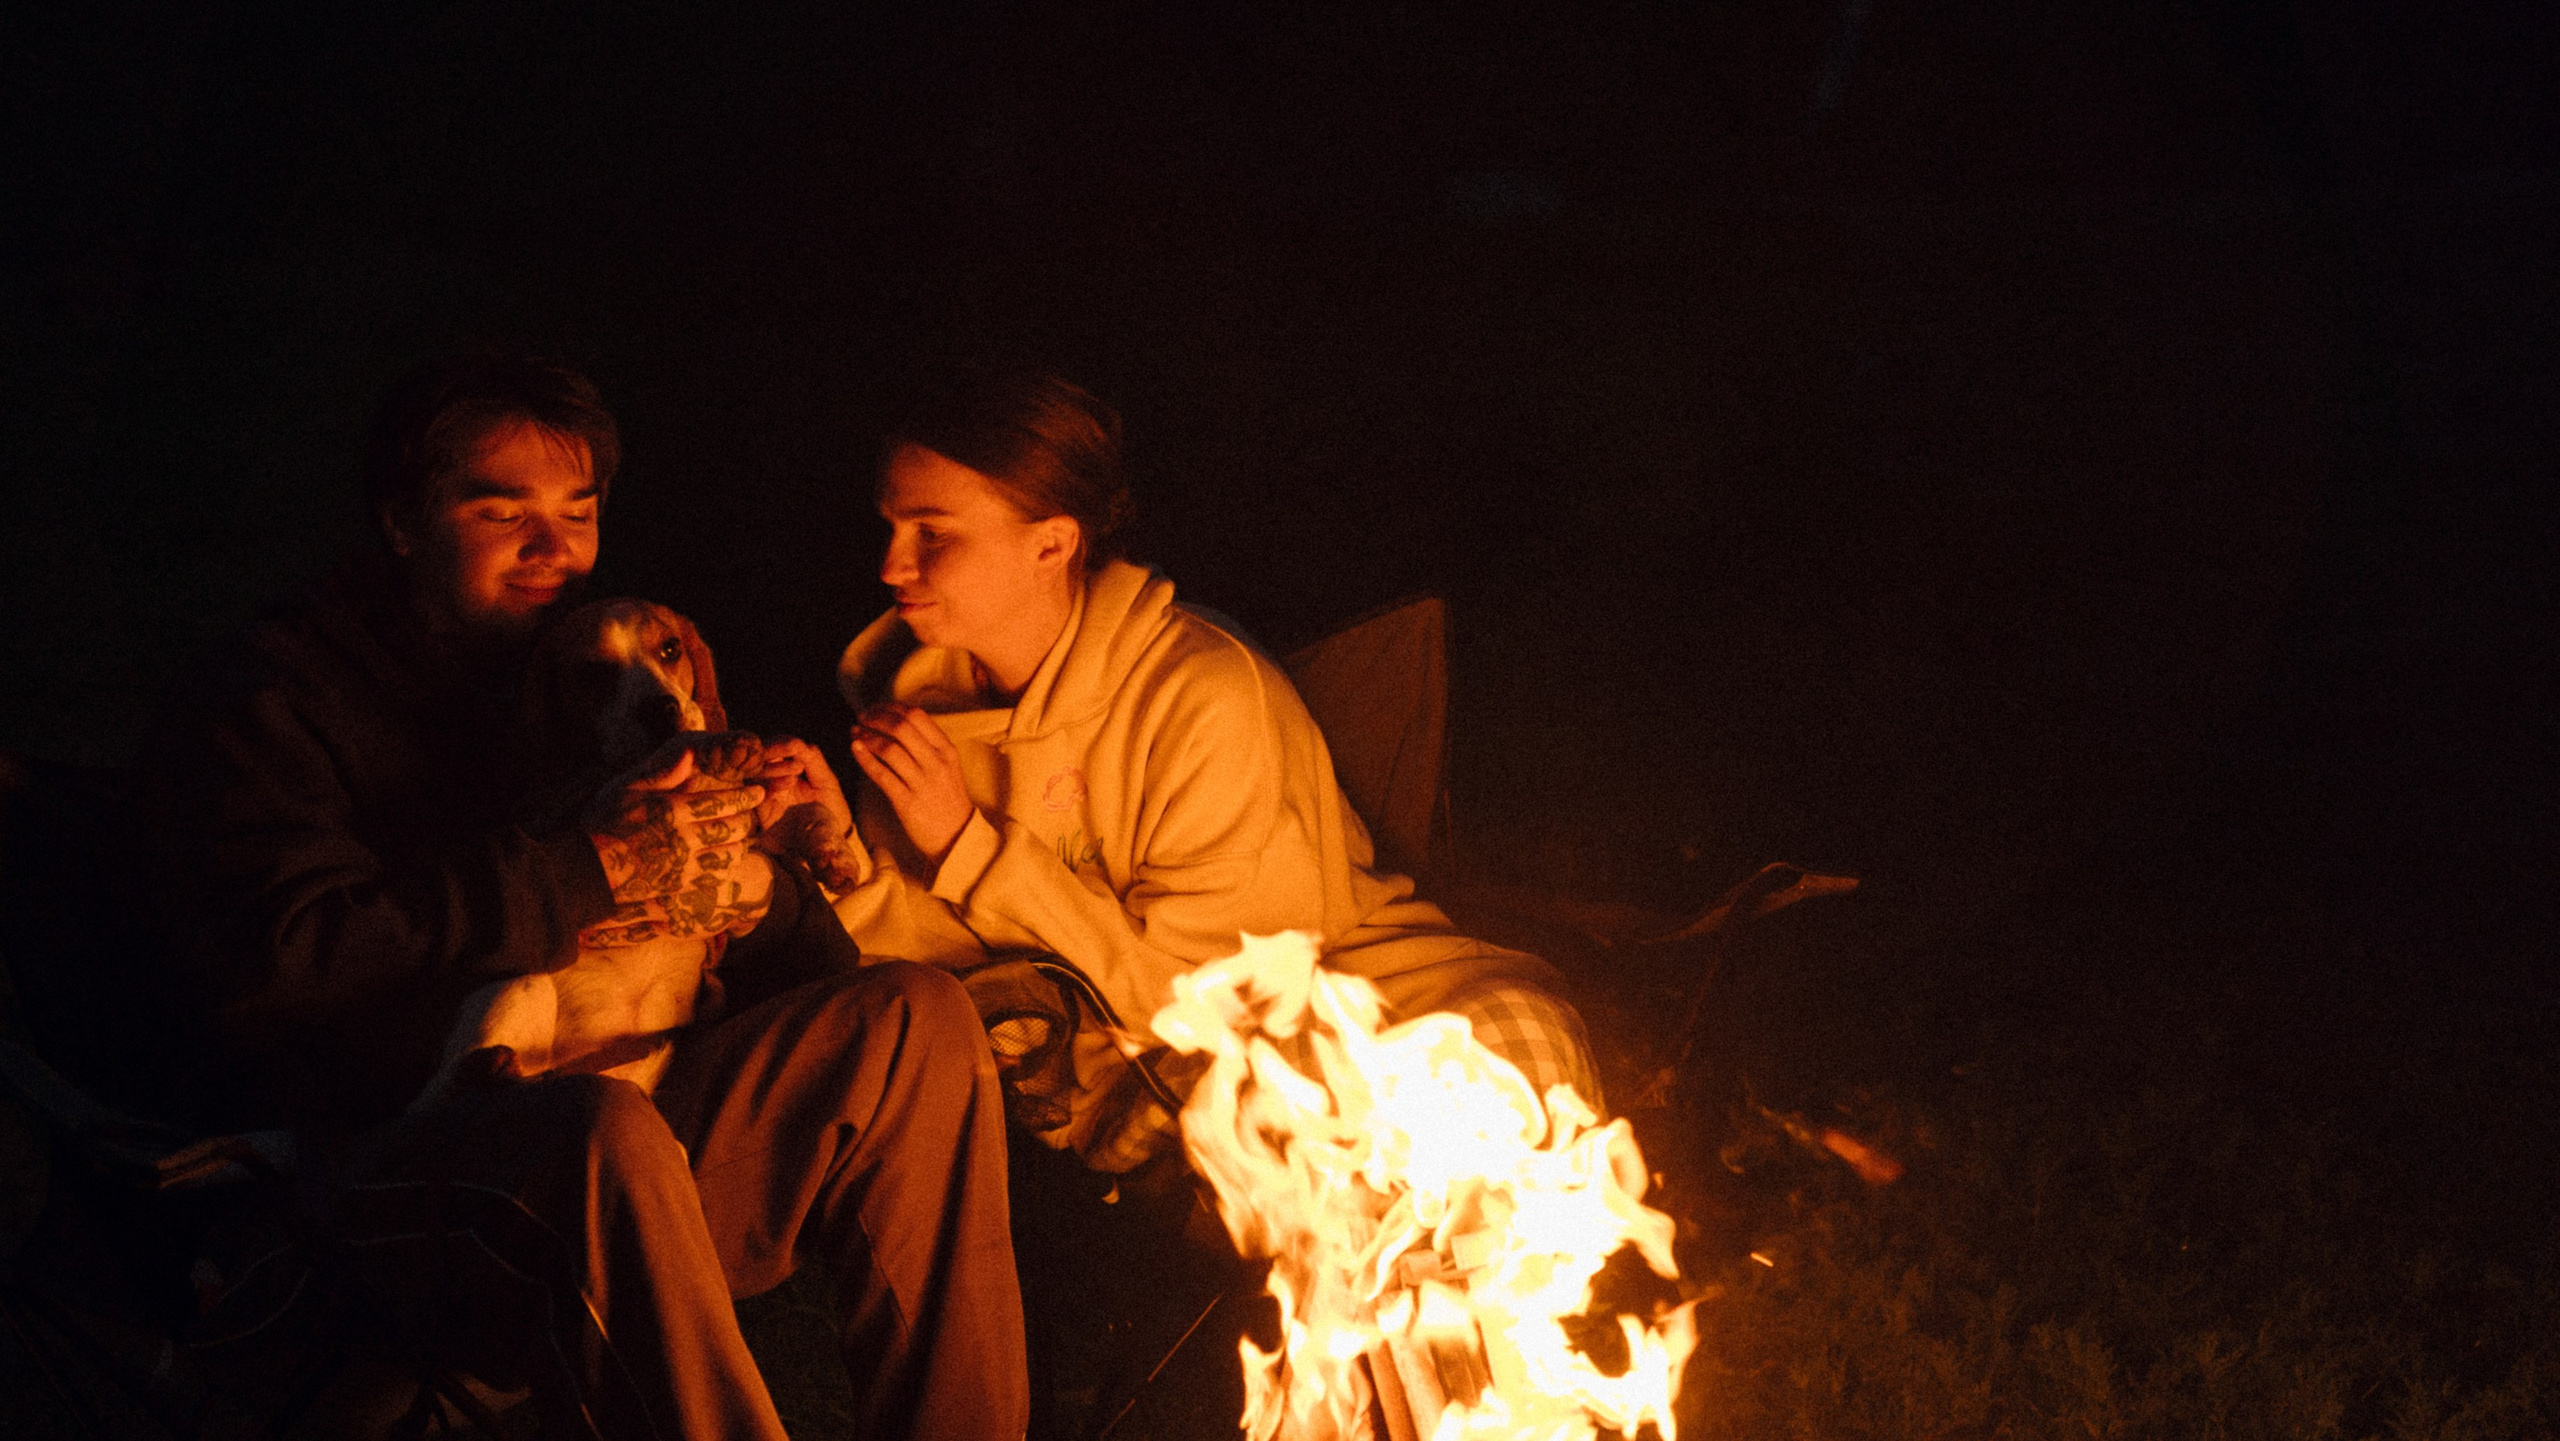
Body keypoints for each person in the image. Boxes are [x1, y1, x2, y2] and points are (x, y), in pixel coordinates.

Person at [136, 354, 1026, 1441]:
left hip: (622, 1153)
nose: (552, 549)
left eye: (579, 510)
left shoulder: (599, 669)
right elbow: (283, 959)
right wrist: (585, 872)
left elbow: (749, 965)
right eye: (501, 510)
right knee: (602, 1128)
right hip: (385, 1186)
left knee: (914, 1017)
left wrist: (769, 890)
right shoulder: (280, 698)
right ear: (404, 524)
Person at [785, 371, 1600, 1173]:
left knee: (1508, 1064)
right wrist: (839, 857)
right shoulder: (915, 720)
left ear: (1051, 543)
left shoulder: (1200, 693)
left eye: (933, 533)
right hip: (1136, 1069)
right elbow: (945, 974)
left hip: (1337, 994)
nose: (892, 565)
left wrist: (973, 849)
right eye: (891, 527)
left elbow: (1221, 999)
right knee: (1259, 1133)